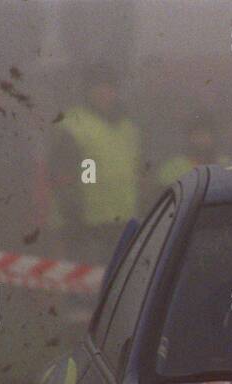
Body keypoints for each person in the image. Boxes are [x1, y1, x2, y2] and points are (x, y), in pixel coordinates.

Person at [51, 63, 143, 265]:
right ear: (87, 90)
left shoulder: (129, 127)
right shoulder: (73, 124)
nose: (104, 91)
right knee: (85, 290)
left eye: (109, 86)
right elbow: (64, 176)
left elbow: (135, 173)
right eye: (97, 85)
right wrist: (73, 219)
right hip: (85, 227)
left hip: (123, 224)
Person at [158, 113, 231, 187]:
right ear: (189, 137)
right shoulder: (173, 168)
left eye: (205, 134)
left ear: (213, 138)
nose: (201, 140)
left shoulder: (225, 165)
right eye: (197, 134)